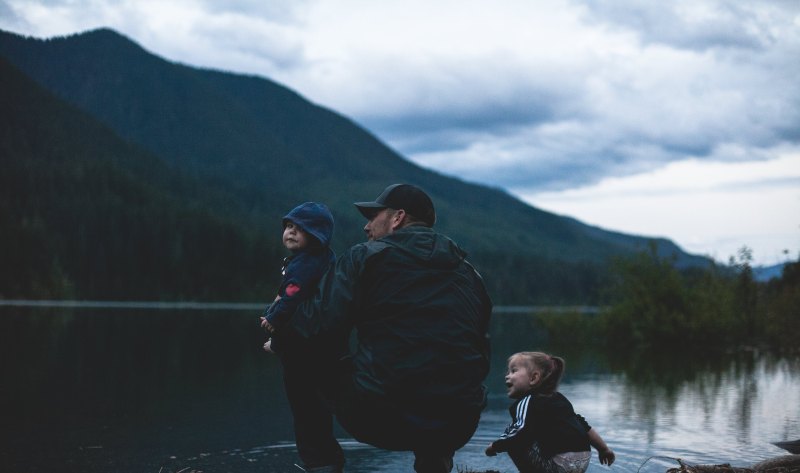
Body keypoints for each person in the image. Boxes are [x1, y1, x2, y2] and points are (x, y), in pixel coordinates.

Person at [281, 183, 493, 473]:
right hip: (459, 421)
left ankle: (322, 465)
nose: (366, 227)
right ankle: (435, 466)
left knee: (297, 353)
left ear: (397, 218)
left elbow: (313, 328)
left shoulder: (364, 258)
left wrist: (281, 322)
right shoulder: (469, 273)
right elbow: (481, 348)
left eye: (373, 217)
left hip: (382, 416)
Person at [258, 202, 344, 471]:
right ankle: (328, 461)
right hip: (320, 349)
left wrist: (274, 319)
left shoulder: (307, 263)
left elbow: (293, 295)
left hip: (304, 354)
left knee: (306, 412)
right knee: (316, 412)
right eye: (288, 226)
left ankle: (319, 464)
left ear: (317, 235)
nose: (290, 232)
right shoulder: (320, 259)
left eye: (300, 228)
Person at [485, 351, 615, 473]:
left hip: (559, 464)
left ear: (534, 378)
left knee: (513, 434)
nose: (507, 375)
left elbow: (519, 435)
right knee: (527, 433)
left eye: (514, 371)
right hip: (582, 462)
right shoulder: (558, 398)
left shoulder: (527, 402)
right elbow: (582, 425)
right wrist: (603, 449)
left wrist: (496, 446)